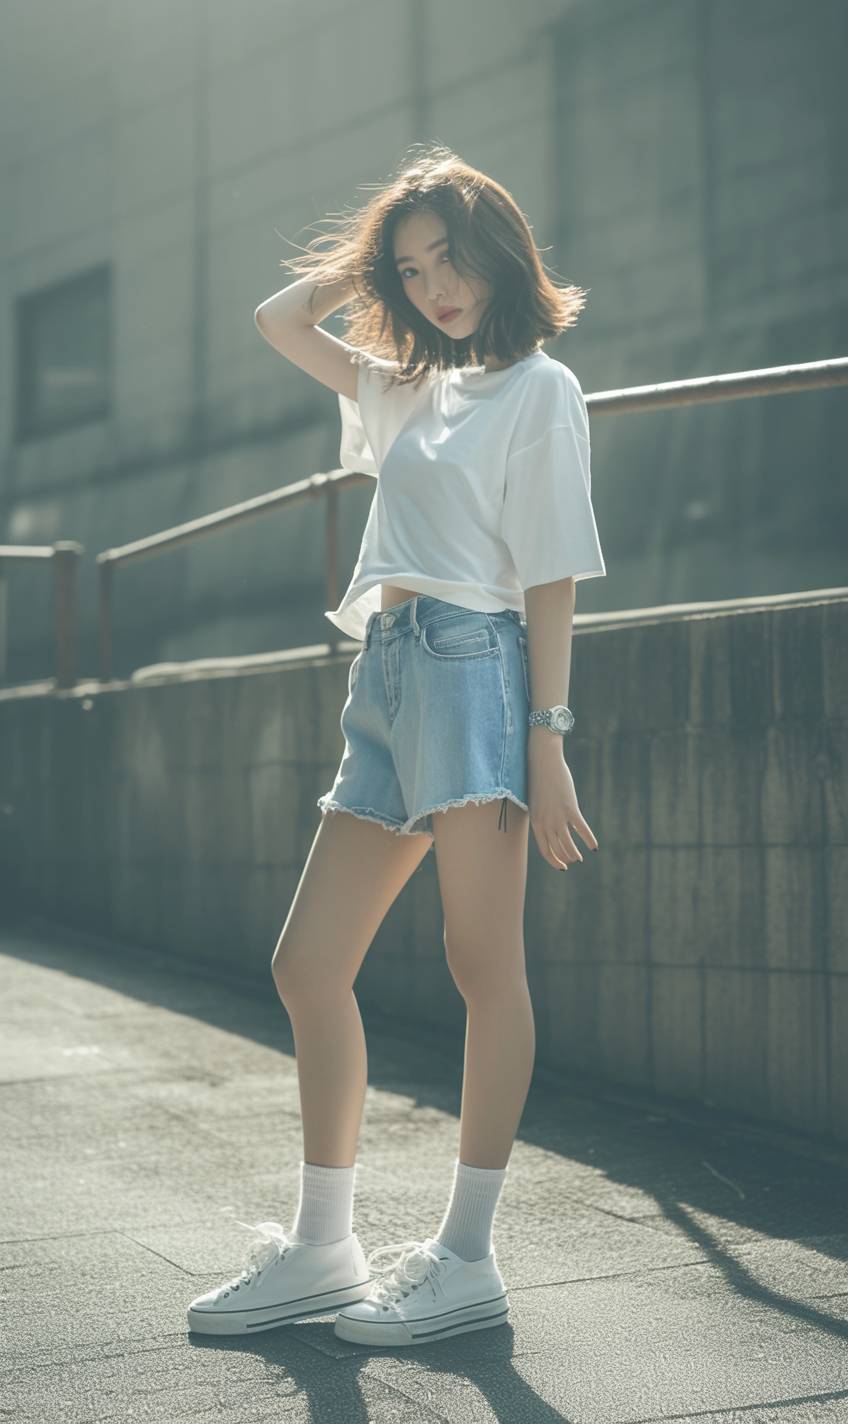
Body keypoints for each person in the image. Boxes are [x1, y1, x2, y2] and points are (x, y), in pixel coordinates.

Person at [187, 143, 605, 1347]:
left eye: (450, 257)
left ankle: (466, 1258)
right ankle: (325, 1247)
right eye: (411, 269)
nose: (434, 286)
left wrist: (548, 737)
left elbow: (551, 572)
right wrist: (376, 239)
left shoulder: (540, 388)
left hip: (477, 670)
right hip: (385, 670)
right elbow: (278, 316)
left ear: (499, 249)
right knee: (306, 964)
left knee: (484, 965)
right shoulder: (406, 388)